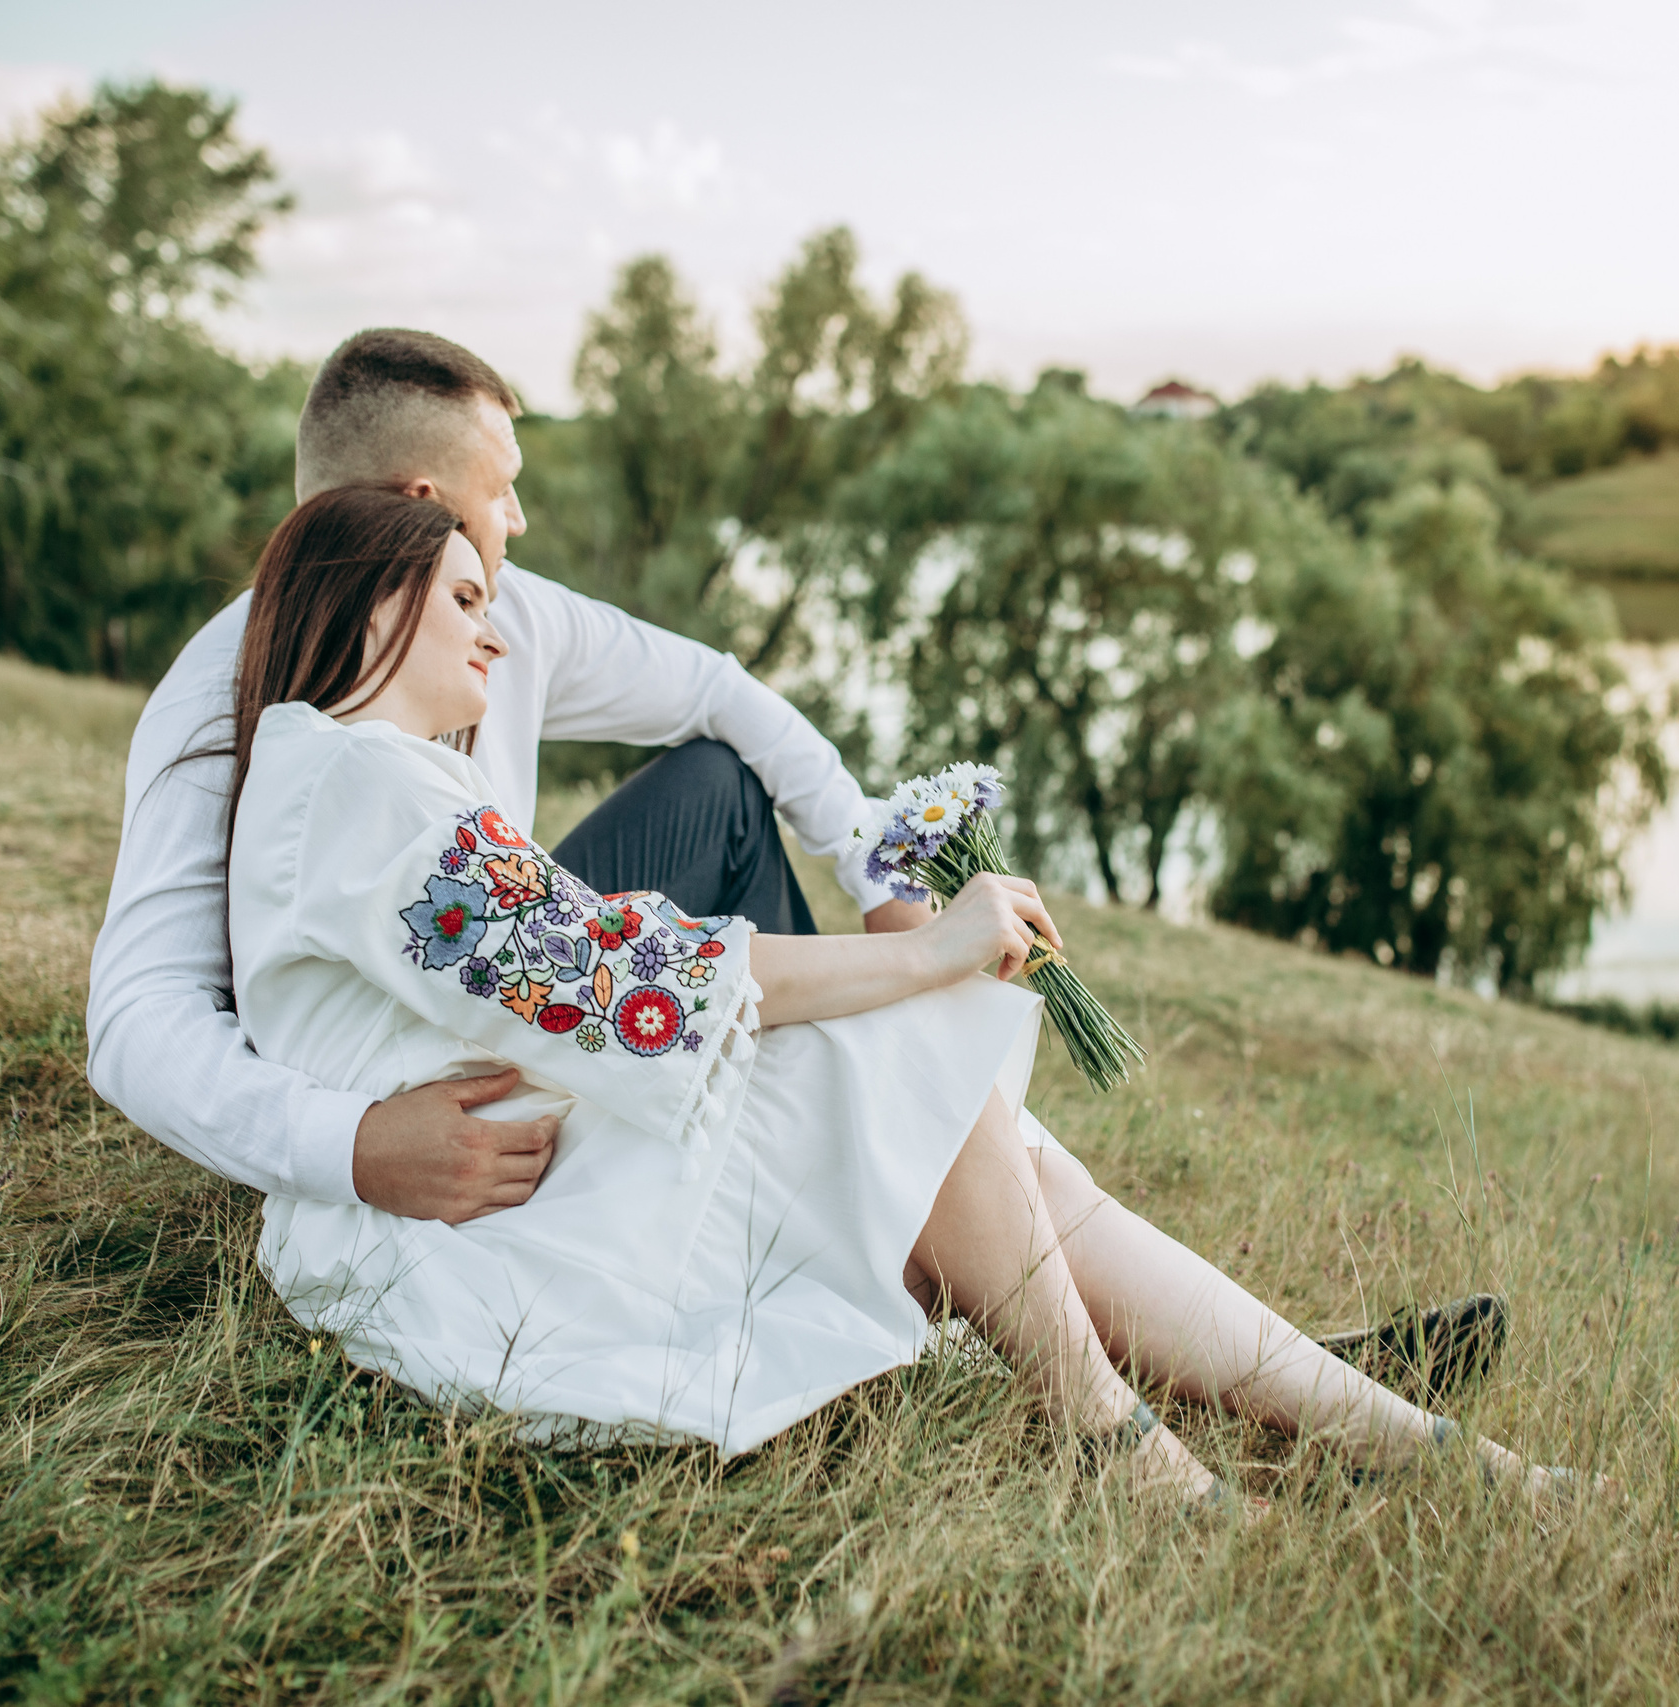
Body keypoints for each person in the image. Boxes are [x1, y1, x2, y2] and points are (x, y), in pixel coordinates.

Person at [85, 326, 1502, 1398]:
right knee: (874, 1072)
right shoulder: (235, 718)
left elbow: (719, 694)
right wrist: (352, 1150)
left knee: (720, 801)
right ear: (420, 506)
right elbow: (139, 1028)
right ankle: (1090, 1334)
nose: (520, 529)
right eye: (502, 498)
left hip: (525, 999)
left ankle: (1218, 1351)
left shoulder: (496, 634)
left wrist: (876, 861)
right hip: (421, 1106)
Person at [214, 483, 1586, 1510]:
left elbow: (607, 955)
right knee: (908, 1057)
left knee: (977, 1131)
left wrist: (906, 951)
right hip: (478, 1243)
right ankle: (1137, 1432)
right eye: (463, 599)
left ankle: (1371, 1437)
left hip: (536, 1167)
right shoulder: (356, 783)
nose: (495, 637)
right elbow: (627, 986)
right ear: (373, 599)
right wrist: (930, 955)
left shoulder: (367, 780)